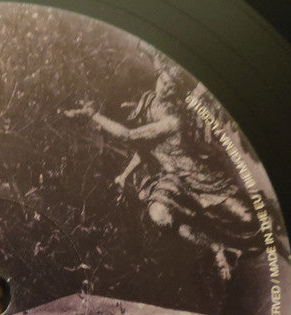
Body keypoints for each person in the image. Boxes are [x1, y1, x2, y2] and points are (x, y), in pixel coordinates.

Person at [64, 67, 258, 280]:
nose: (165, 88)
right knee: (160, 215)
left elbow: (129, 136)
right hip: (171, 179)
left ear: (177, 92)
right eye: (164, 81)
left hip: (198, 178)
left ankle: (235, 238)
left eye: (172, 87)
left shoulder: (173, 119)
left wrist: (93, 115)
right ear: (158, 77)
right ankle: (216, 247)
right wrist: (125, 175)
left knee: (249, 221)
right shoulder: (147, 103)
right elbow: (147, 149)